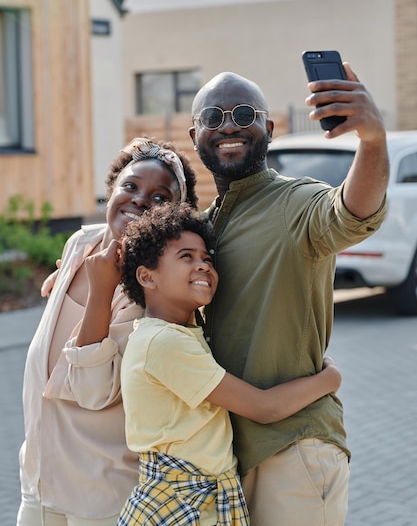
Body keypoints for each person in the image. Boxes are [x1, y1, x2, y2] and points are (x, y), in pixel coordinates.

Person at [188, 65, 389, 526]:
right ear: (195, 133)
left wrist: (372, 143)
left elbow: (353, 213)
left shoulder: (295, 202)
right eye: (215, 117)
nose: (230, 125)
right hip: (226, 458)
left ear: (269, 128)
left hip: (293, 449)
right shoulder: (203, 227)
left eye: (244, 113)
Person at [107, 202, 342, 526]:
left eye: (207, 258)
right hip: (180, 503)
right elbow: (263, 407)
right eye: (186, 257)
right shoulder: (163, 343)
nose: (203, 266)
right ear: (147, 276)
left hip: (203, 498)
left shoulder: (183, 333)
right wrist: (329, 379)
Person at [17, 137, 198, 526]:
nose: (139, 199)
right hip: (39, 477)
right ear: (111, 190)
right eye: (130, 186)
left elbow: (93, 390)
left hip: (101, 494)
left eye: (159, 197)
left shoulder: (151, 286)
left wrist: (102, 290)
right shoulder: (80, 243)